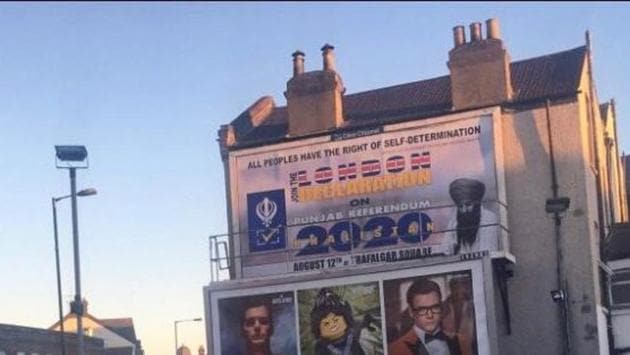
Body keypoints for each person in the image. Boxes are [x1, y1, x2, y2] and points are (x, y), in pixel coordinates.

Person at [388, 278, 460, 355]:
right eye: (422, 309)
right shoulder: (395, 349)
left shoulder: (456, 340)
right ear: (411, 312)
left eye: (435, 307)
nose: (430, 315)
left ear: (441, 307)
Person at [442, 178, 498, 255]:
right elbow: (445, 250)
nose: (464, 210)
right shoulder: (454, 221)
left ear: (477, 204)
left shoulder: (489, 218)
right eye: (460, 206)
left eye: (468, 205)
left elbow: (486, 253)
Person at [310, 288, 366, 355]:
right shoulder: (321, 347)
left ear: (346, 319)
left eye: (336, 320)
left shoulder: (351, 339)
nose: (332, 325)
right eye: (326, 323)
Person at [441, 277, 476, 355]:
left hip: (470, 347)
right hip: (450, 346)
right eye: (454, 287)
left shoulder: (473, 305)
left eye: (460, 287)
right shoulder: (443, 306)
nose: (458, 290)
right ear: (450, 288)